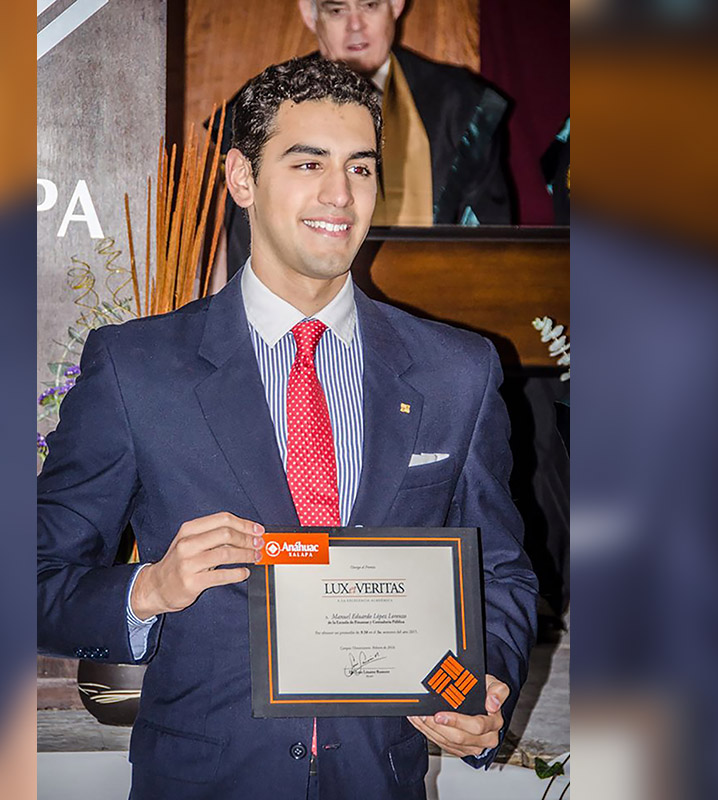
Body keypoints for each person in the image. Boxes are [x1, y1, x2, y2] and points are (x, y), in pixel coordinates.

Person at [37, 56, 537, 799]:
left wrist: (485, 684)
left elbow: (498, 573)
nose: (340, 195)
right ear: (242, 179)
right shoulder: (137, 368)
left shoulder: (455, 370)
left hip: (379, 778)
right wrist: (146, 590)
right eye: (308, 163)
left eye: (361, 169)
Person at [213, 0, 517, 285]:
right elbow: (238, 241)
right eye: (337, 10)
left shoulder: (463, 106)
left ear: (396, 4)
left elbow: (489, 250)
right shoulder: (265, 106)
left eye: (370, 5)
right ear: (310, 12)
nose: (355, 26)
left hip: (433, 312)